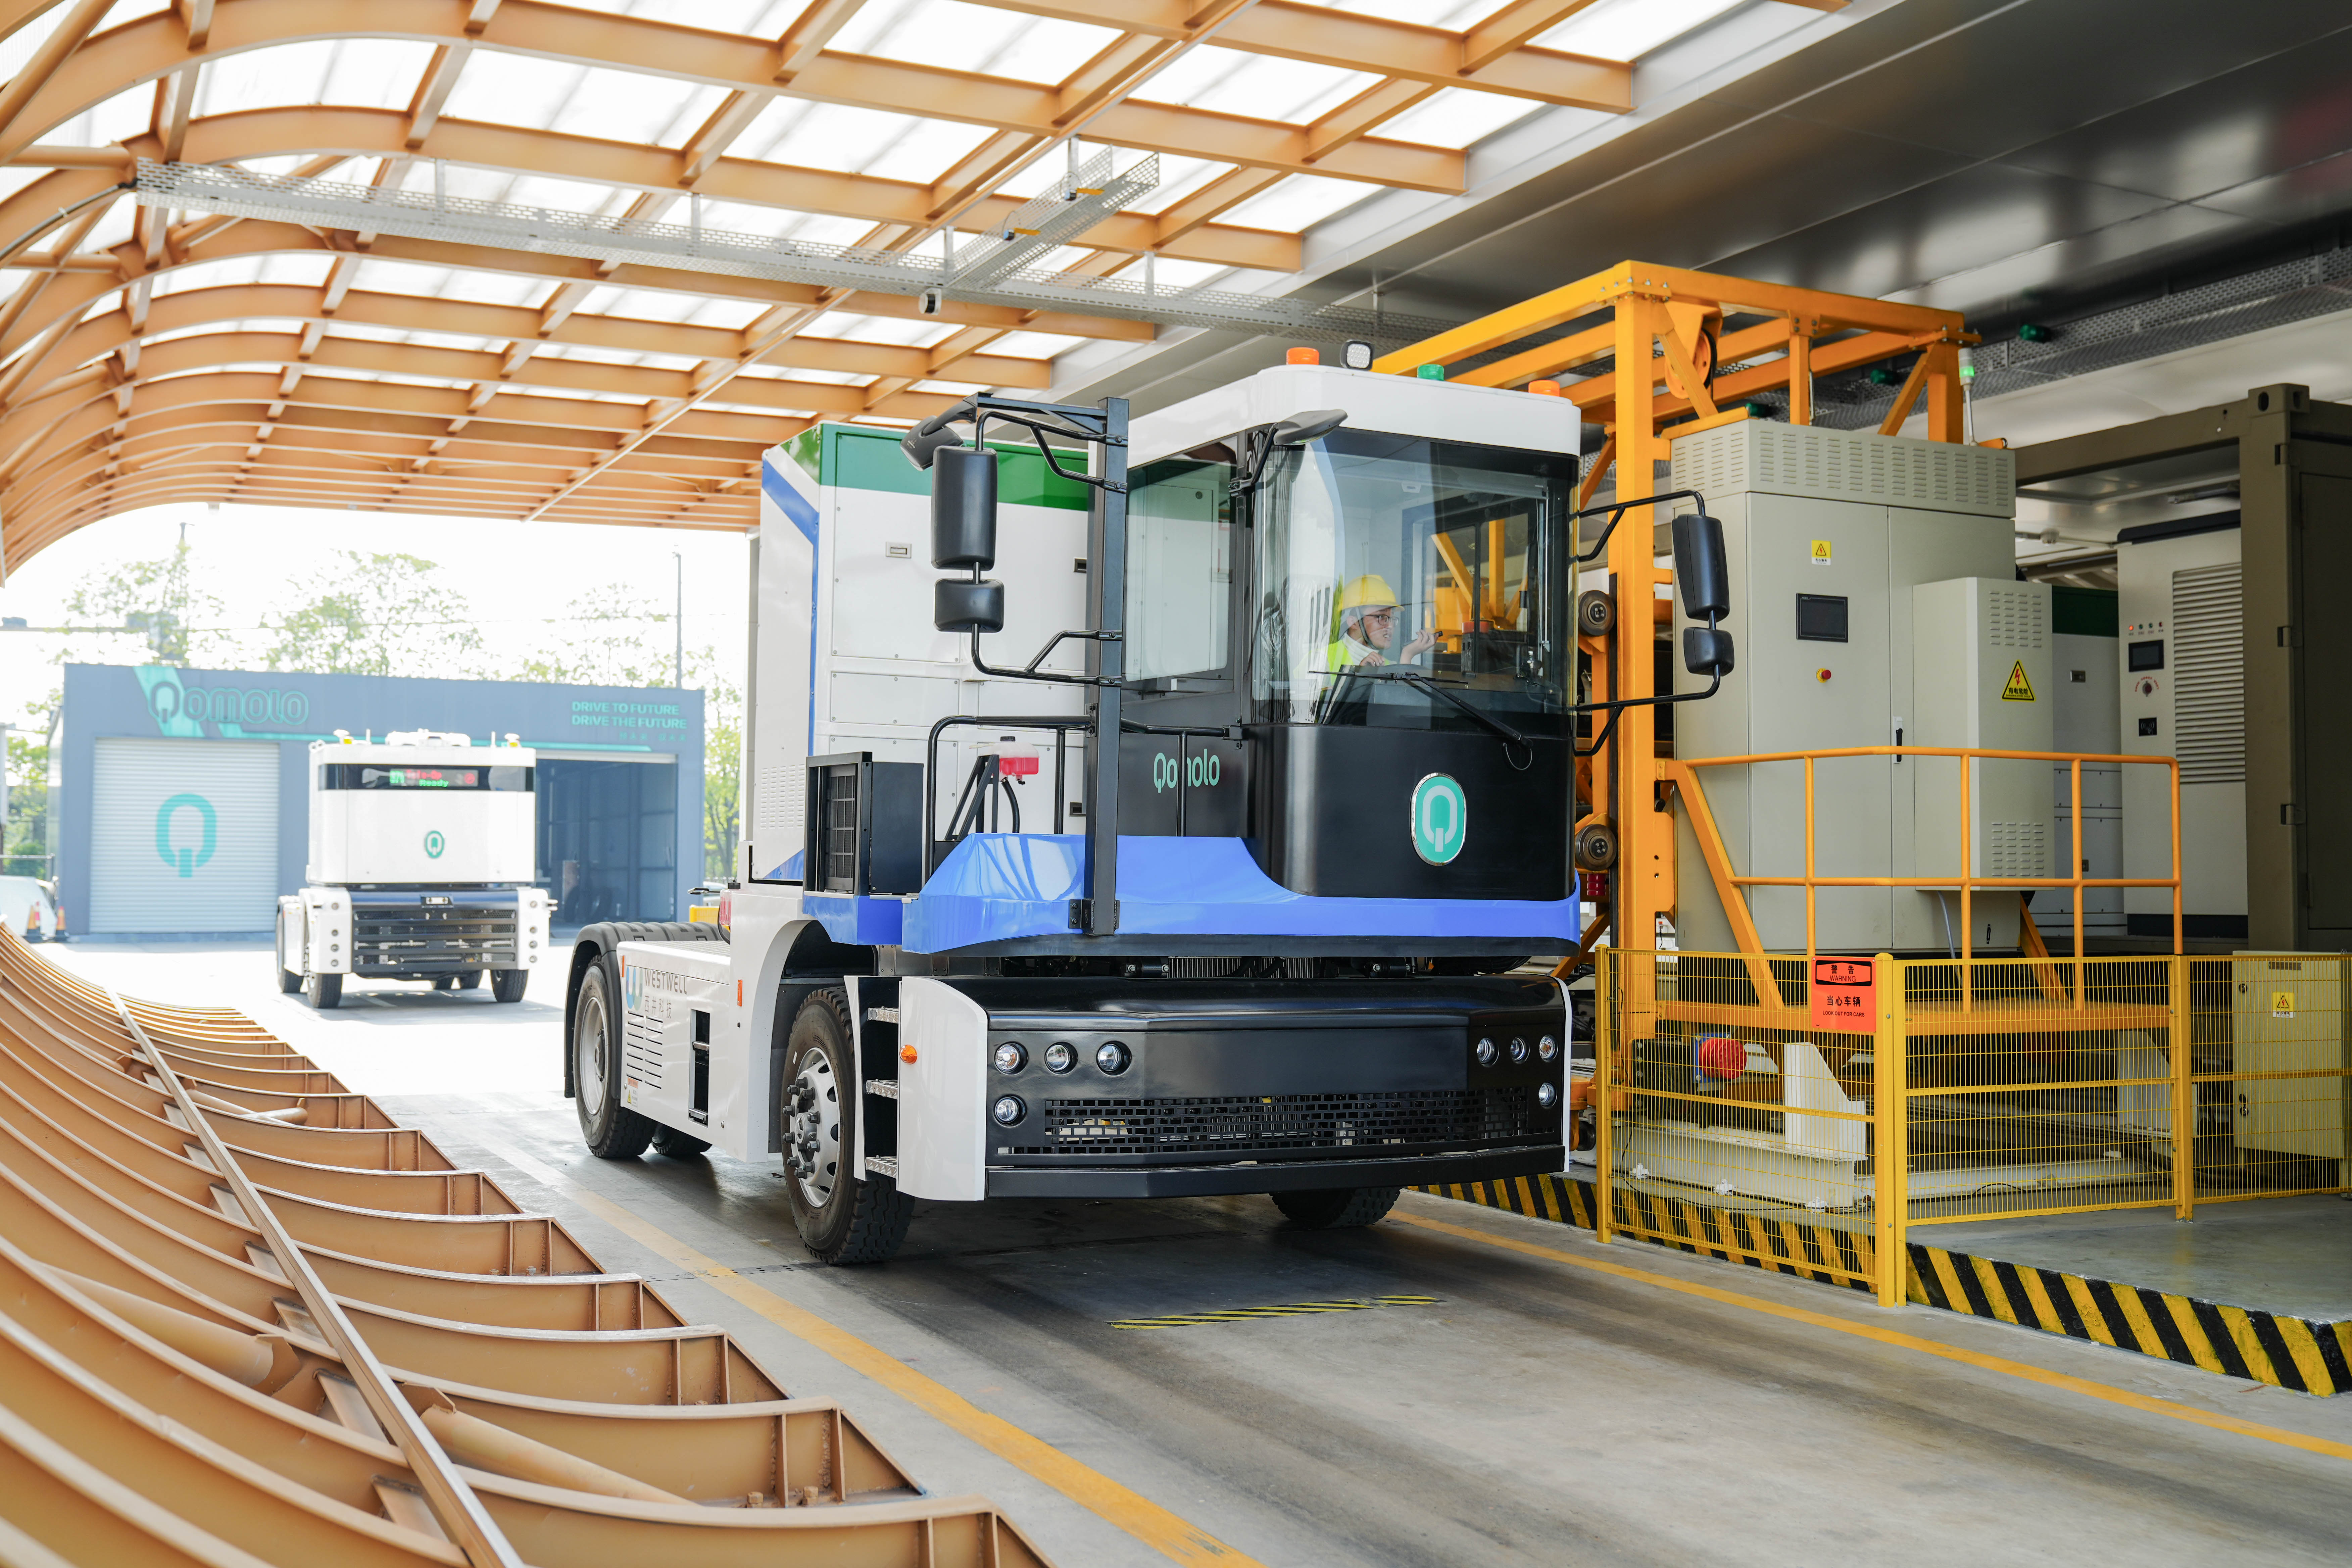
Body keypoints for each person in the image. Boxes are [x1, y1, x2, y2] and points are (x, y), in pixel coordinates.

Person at [1331, 574, 1435, 669]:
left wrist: (1407, 655)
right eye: (1381, 617)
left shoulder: (1389, 665)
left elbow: (1402, 690)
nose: (1390, 626)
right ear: (1354, 622)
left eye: (1392, 619)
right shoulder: (1323, 658)